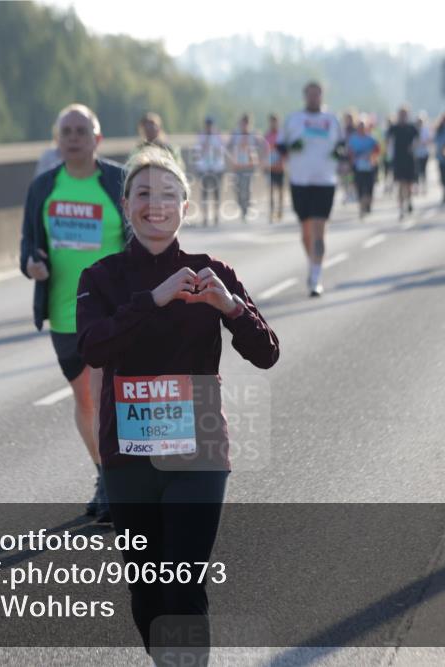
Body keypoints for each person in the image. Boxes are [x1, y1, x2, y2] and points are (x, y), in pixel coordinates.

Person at [76, 147, 279, 664]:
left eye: (168, 194)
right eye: (143, 193)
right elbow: (93, 348)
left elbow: (267, 353)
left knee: (183, 588)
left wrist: (230, 308)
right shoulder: (100, 277)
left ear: (185, 206)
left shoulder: (211, 272)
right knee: (147, 593)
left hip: (199, 452)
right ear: (126, 205)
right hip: (129, 456)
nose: (156, 204)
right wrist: (154, 299)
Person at [20, 104, 129, 524]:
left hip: (114, 310)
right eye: (66, 131)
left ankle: (118, 484)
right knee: (85, 398)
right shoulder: (44, 187)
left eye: (82, 130)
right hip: (65, 312)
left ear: (97, 139)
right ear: (57, 140)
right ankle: (105, 475)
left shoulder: (118, 181)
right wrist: (32, 264)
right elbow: (29, 244)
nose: (74, 138)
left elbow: (141, 236)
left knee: (109, 396)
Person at [277, 81, 344, 296]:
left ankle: (316, 276)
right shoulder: (294, 119)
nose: (314, 98)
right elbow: (281, 146)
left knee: (319, 229)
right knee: (306, 232)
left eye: (318, 94)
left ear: (322, 96)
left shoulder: (332, 119)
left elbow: (342, 145)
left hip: (325, 180)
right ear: (305, 96)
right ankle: (313, 263)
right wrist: (291, 147)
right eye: (311, 94)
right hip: (300, 180)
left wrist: (339, 154)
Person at [386, 106, 419, 218]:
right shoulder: (394, 128)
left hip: (409, 159)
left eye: (404, 114)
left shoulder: (411, 127)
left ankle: (409, 200)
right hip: (398, 159)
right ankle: (401, 208)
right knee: (400, 184)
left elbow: (417, 139)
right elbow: (388, 139)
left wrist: (413, 147)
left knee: (409, 183)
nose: (402, 117)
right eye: (401, 114)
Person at [227, 114, 261, 221]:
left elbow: (261, 148)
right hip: (237, 166)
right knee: (237, 188)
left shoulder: (253, 134)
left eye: (247, 123)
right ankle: (242, 205)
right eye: (243, 123)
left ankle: (245, 210)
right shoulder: (235, 134)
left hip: (249, 166)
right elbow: (228, 147)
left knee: (246, 188)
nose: (244, 125)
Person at [194, 117, 225, 226]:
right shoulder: (201, 136)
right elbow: (198, 151)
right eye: (207, 125)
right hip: (204, 168)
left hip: (216, 168)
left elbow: (221, 151)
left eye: (210, 125)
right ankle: (205, 217)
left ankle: (216, 216)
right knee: (204, 194)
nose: (209, 127)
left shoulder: (218, 136)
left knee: (216, 193)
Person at [346, 119, 380, 218]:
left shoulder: (371, 139)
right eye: (359, 128)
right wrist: (351, 161)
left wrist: (371, 156)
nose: (361, 129)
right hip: (358, 167)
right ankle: (361, 207)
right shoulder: (353, 139)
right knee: (359, 186)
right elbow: (349, 151)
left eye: (363, 127)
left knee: (369, 187)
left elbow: (377, 150)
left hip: (370, 166)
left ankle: (368, 204)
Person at [264, 114, 286, 223]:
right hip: (270, 167)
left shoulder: (282, 135)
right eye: (272, 122)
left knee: (280, 190)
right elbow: (264, 150)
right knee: (271, 190)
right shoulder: (267, 135)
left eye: (275, 122)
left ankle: (280, 210)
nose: (273, 124)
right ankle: (272, 212)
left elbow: (285, 151)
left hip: (280, 167)